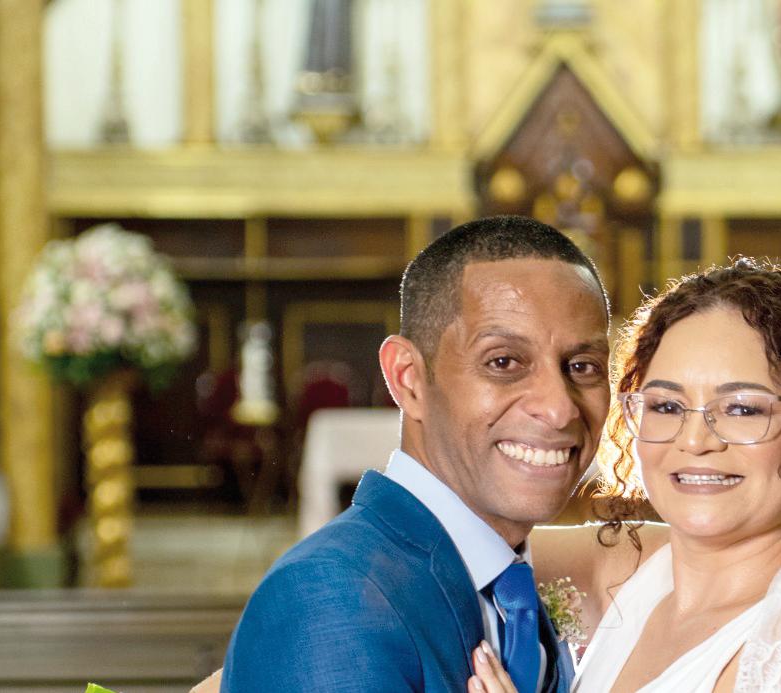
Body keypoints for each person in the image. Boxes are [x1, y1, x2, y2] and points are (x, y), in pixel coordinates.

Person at [467, 258, 781, 693]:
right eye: (667, 406)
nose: (694, 441)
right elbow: (442, 537)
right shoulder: (632, 567)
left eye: (741, 408)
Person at [219, 215, 612, 692]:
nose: (558, 407)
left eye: (583, 365)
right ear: (408, 377)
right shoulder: (330, 596)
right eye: (504, 362)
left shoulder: (510, 581)